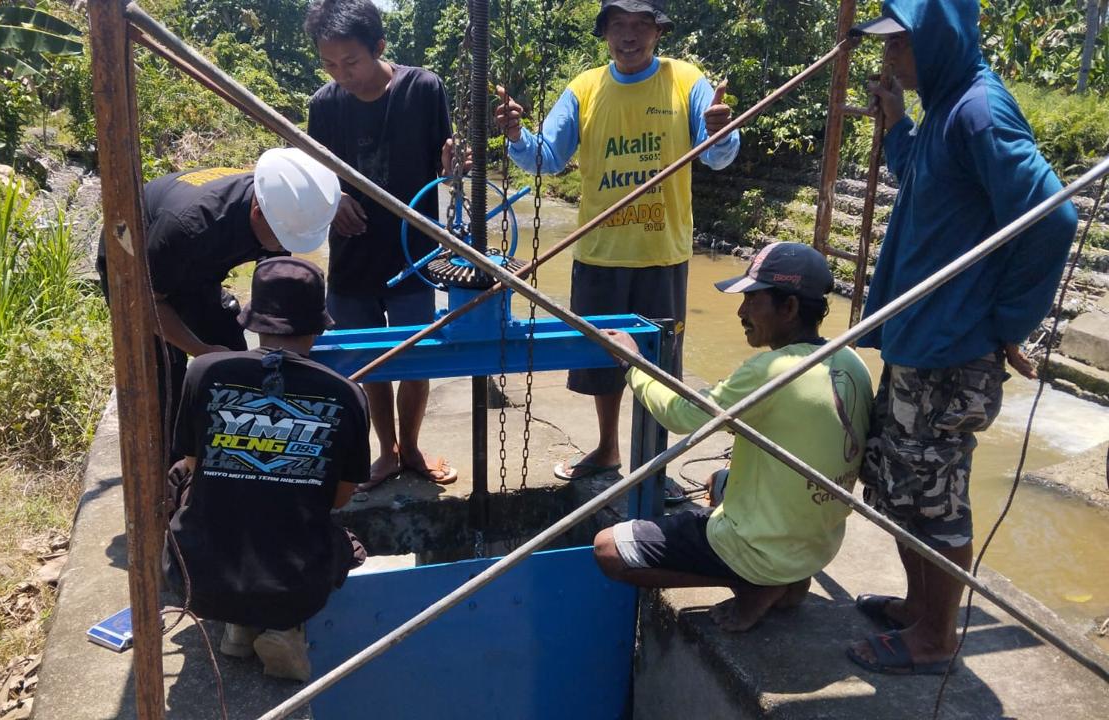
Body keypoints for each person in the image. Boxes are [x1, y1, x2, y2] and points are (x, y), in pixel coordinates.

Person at [846, 0, 1078, 675]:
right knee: (900, 485)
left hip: (953, 348)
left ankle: (936, 637)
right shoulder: (948, 109)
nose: (889, 59)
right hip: (921, 337)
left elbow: (1054, 217)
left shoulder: (979, 111)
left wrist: (1007, 324)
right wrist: (897, 125)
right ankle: (919, 611)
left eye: (901, 46)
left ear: (940, 41)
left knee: (936, 494)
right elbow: (928, 180)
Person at [493, 0, 740, 481]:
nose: (630, 36)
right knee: (602, 362)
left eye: (641, 25)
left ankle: (655, 465)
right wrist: (518, 134)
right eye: (619, 26)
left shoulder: (688, 80)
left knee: (661, 369)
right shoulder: (584, 88)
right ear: (605, 33)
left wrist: (720, 130)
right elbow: (545, 159)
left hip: (661, 254)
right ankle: (607, 448)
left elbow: (717, 158)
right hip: (600, 253)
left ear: (658, 33)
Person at [593, 243, 873, 632]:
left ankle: (753, 582)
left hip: (765, 550)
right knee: (718, 482)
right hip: (817, 546)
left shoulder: (770, 369)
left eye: (753, 301)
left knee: (609, 550)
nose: (742, 313)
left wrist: (632, 362)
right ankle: (788, 579)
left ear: (789, 308)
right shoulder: (851, 360)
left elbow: (680, 413)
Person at [163, 257, 369, 682]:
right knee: (336, 539)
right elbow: (339, 496)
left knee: (188, 481)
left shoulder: (204, 372)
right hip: (296, 583)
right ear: (319, 325)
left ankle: (237, 628)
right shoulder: (347, 395)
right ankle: (283, 630)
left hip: (195, 577)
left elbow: (194, 465)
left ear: (253, 321)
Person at [304, 0, 462, 490]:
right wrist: (334, 201)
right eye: (330, 65)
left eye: (350, 62)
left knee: (414, 357)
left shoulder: (423, 89)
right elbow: (315, 178)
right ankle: (386, 451)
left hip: (413, 252)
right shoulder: (323, 105)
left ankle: (411, 447)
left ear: (379, 47)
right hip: (352, 257)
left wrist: (459, 165)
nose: (341, 75)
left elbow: (447, 168)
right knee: (369, 363)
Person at [96, 151, 342, 451]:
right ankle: (172, 468)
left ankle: (225, 450)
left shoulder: (278, 205)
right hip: (135, 259)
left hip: (199, 268)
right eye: (282, 239)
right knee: (163, 375)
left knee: (234, 356)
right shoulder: (189, 227)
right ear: (257, 213)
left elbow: (277, 288)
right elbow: (145, 306)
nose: (284, 247)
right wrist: (200, 350)